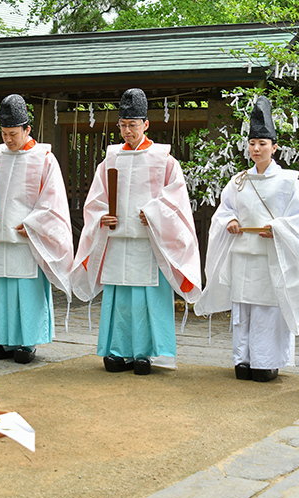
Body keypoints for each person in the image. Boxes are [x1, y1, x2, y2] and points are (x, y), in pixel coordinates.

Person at [71, 88, 201, 375]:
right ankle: (117, 351)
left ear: (146, 124)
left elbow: (176, 201)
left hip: (147, 243)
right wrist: (102, 216)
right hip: (117, 241)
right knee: (119, 299)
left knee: (146, 299)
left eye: (132, 125)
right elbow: (95, 199)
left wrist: (154, 213)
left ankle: (147, 353)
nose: (127, 130)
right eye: (123, 125)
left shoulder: (164, 160)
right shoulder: (110, 159)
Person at [195, 96, 299, 382]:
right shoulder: (239, 181)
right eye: (252, 143)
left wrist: (277, 228)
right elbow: (223, 211)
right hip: (243, 254)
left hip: (270, 256)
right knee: (243, 310)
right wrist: (231, 221)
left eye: (262, 144)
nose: (256, 148)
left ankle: (266, 361)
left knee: (267, 311)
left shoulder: (288, 182)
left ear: (274, 147)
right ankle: (243, 359)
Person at [0, 94, 72, 364]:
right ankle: (1, 338)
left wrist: (33, 224)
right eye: (4, 134)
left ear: (27, 129)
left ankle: (27, 341)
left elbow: (53, 201)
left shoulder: (44, 159)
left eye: (13, 134)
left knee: (26, 289)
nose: (7, 139)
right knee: (1, 290)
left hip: (25, 238)